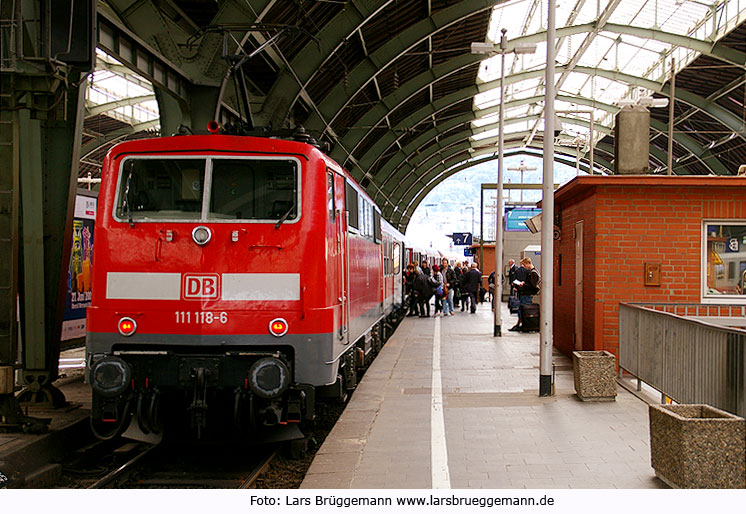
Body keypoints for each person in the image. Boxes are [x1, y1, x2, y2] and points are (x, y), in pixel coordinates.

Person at [509, 257, 541, 331]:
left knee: (524, 310)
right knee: (522, 309)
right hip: (528, 294)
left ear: (528, 263)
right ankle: (521, 324)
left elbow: (533, 285)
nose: (524, 267)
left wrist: (523, 284)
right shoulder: (533, 271)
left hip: (528, 294)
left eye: (524, 265)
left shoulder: (533, 273)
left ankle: (523, 325)